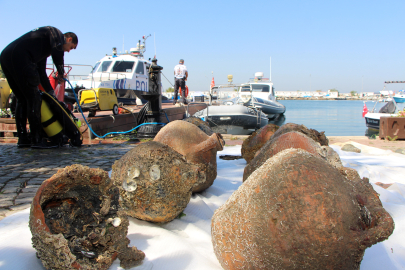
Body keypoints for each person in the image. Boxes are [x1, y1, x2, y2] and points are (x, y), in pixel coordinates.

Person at [0, 26, 78, 148]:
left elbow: (41, 73)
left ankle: (23, 138)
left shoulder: (42, 48)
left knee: (23, 99)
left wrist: (51, 92)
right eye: (71, 47)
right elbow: (58, 53)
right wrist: (61, 72)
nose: (68, 51)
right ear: (68, 39)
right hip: (20, 57)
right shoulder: (55, 33)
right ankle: (37, 139)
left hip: (6, 56)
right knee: (34, 99)